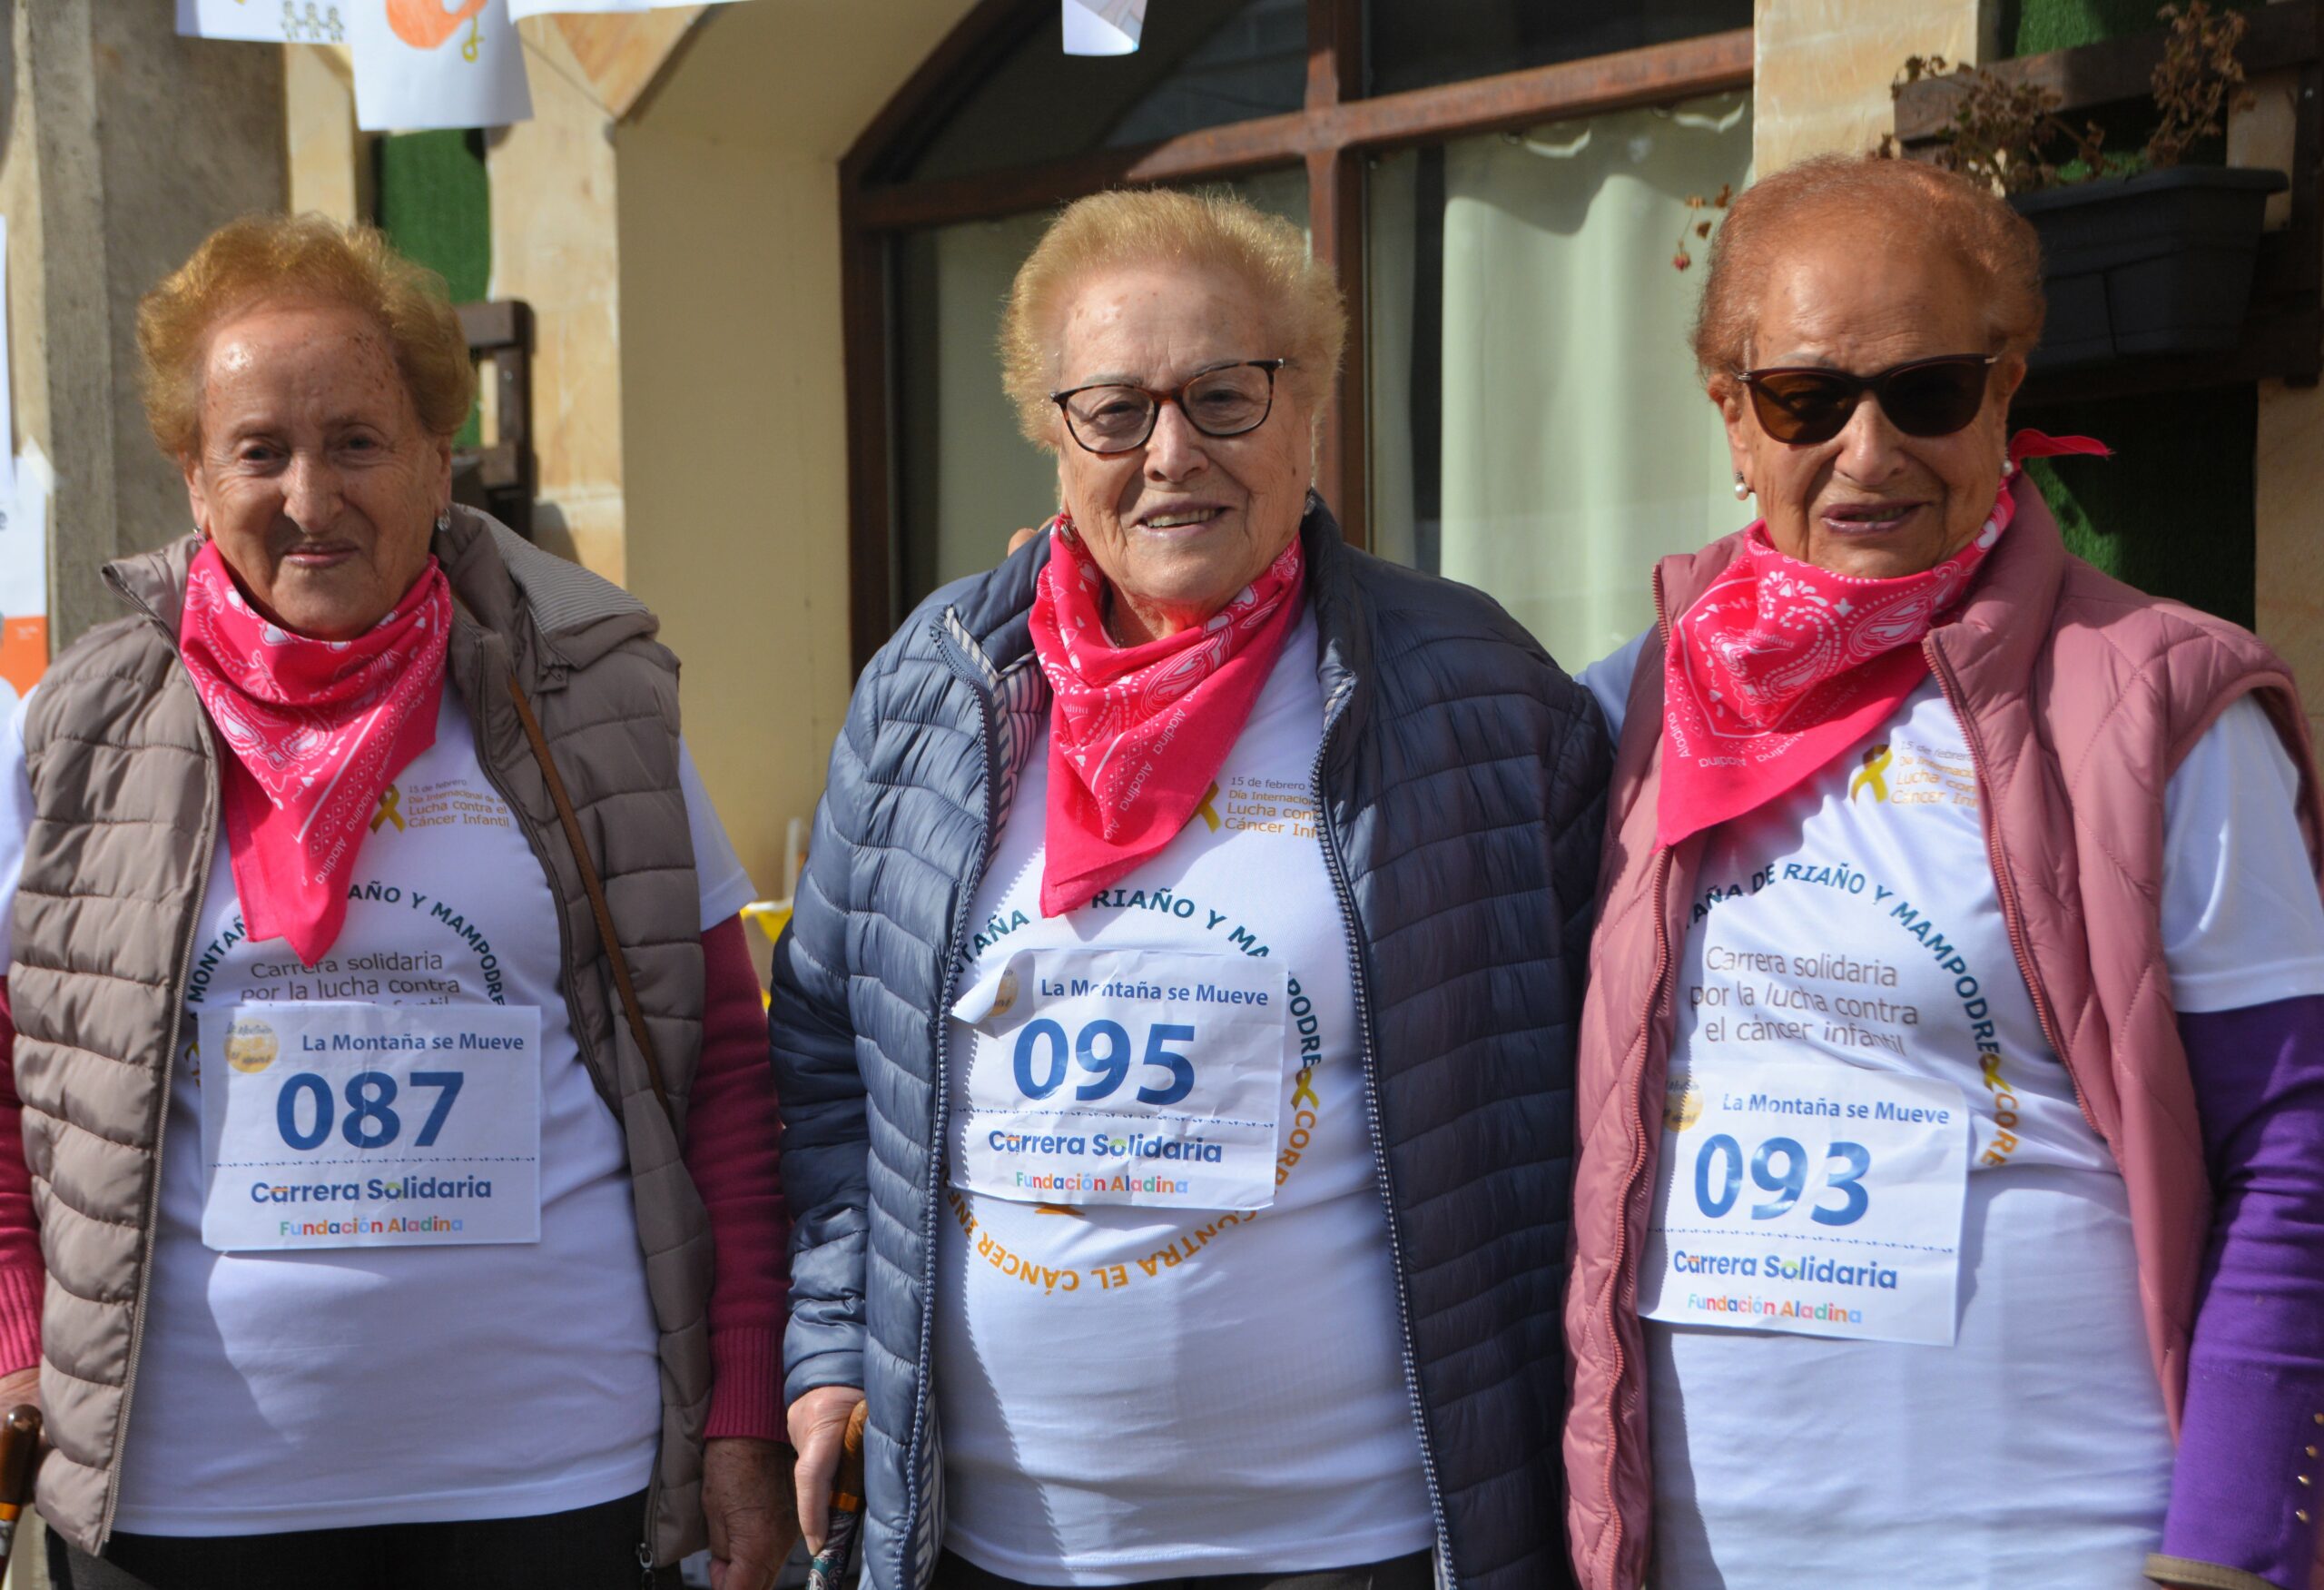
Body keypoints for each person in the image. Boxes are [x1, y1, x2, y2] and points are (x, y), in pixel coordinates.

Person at [771, 187, 1610, 1590]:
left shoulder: (1476, 690)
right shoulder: (935, 687)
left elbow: (1596, 1060)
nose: (1172, 454)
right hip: (998, 1544)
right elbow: (822, 1056)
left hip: (1366, 1539)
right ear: (1051, 432)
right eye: (1115, 409)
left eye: (1226, 396)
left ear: (1311, 409)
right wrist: (828, 1346)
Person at [0, 214, 796, 1590]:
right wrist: (18, 1339)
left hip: (554, 1477)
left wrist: (737, 1408)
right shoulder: (76, 727)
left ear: (439, 459)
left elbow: (721, 1066)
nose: (311, 495)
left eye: (359, 441)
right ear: (194, 476)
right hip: (190, 1497)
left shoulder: (594, 701)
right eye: (259, 450)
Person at [1564, 153, 2324, 1590]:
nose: (1869, 450)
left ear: (2004, 394)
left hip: (2053, 1544)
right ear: (1731, 415)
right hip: (1701, 1550)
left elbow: (2293, 1149)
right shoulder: (1621, 714)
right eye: (1805, 397)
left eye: (1927, 391)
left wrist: (2231, 1550)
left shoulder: (2159, 706)